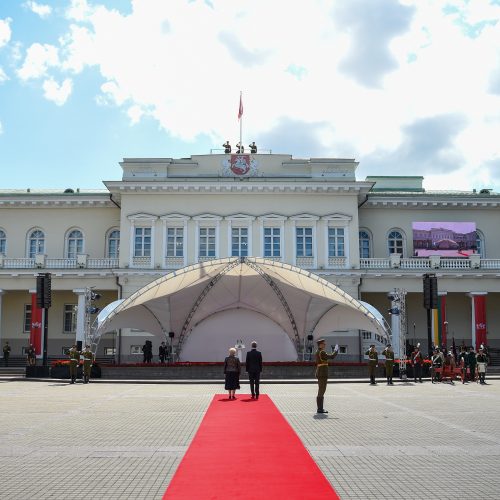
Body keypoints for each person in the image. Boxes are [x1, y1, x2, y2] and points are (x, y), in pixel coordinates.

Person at [315, 339, 338, 413]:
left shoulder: (317, 351)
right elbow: (331, 357)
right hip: (323, 373)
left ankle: (320, 408)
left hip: (320, 372)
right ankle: (320, 409)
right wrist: (336, 350)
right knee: (322, 390)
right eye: (323, 344)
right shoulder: (322, 352)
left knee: (321, 390)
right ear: (320, 345)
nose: (325, 345)